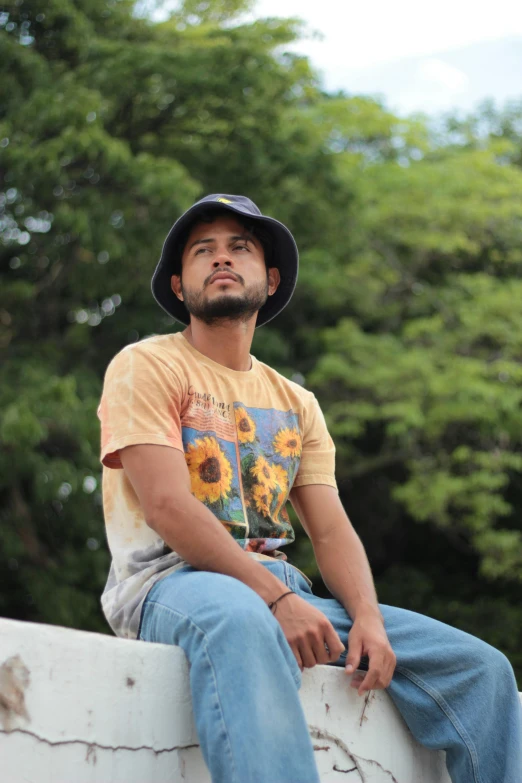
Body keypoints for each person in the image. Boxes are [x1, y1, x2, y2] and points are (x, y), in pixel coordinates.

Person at [97, 193, 521, 783]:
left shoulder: (297, 403)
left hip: (280, 591)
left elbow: (329, 527)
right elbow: (168, 506)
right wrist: (274, 601)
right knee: (242, 621)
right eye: (203, 252)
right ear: (178, 284)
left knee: (481, 669)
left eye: (238, 249)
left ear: (269, 281)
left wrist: (366, 616)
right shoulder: (146, 366)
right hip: (173, 584)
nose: (221, 260)